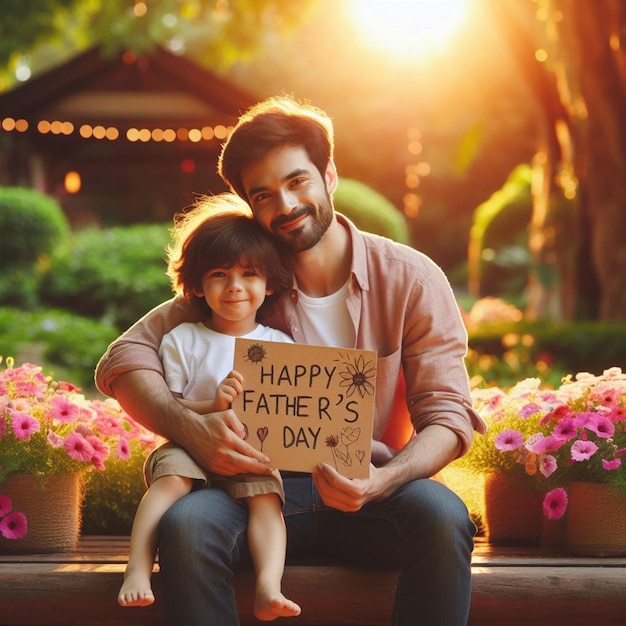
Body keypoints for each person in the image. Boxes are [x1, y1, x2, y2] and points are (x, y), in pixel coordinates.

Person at [96, 95, 486, 626]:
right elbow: (125, 357)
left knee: (442, 515)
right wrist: (191, 428)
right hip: (248, 486)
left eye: (297, 181)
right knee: (187, 527)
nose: (285, 205)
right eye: (264, 195)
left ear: (329, 175)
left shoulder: (412, 279)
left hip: (364, 488)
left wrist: (384, 482)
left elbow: (448, 417)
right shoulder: (245, 275)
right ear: (250, 206)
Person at [116, 195, 301, 621]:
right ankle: (138, 567)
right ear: (197, 285)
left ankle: (269, 587)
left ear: (269, 284)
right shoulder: (183, 339)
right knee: (171, 481)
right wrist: (213, 405)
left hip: (250, 449)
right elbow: (175, 408)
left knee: (268, 498)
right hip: (188, 444)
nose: (235, 286)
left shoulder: (279, 346)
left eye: (248, 274)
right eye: (220, 275)